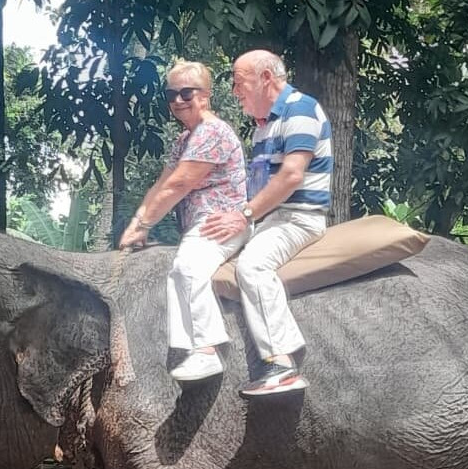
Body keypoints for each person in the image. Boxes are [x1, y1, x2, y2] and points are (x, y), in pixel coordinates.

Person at [201, 49, 333, 397]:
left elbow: (291, 177)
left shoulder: (301, 109)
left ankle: (282, 364)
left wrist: (242, 216)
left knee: (253, 266)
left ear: (265, 78)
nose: (233, 91)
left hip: (298, 219)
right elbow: (259, 190)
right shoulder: (263, 127)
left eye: (238, 81)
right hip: (270, 220)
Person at [119, 60, 248, 382]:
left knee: (187, 268)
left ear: (205, 95)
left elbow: (179, 186)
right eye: (171, 94)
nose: (178, 100)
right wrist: (136, 223)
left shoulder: (212, 132)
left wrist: (145, 225)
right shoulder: (183, 140)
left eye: (186, 92)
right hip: (197, 225)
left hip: (219, 222)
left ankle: (208, 349)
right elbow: (162, 184)